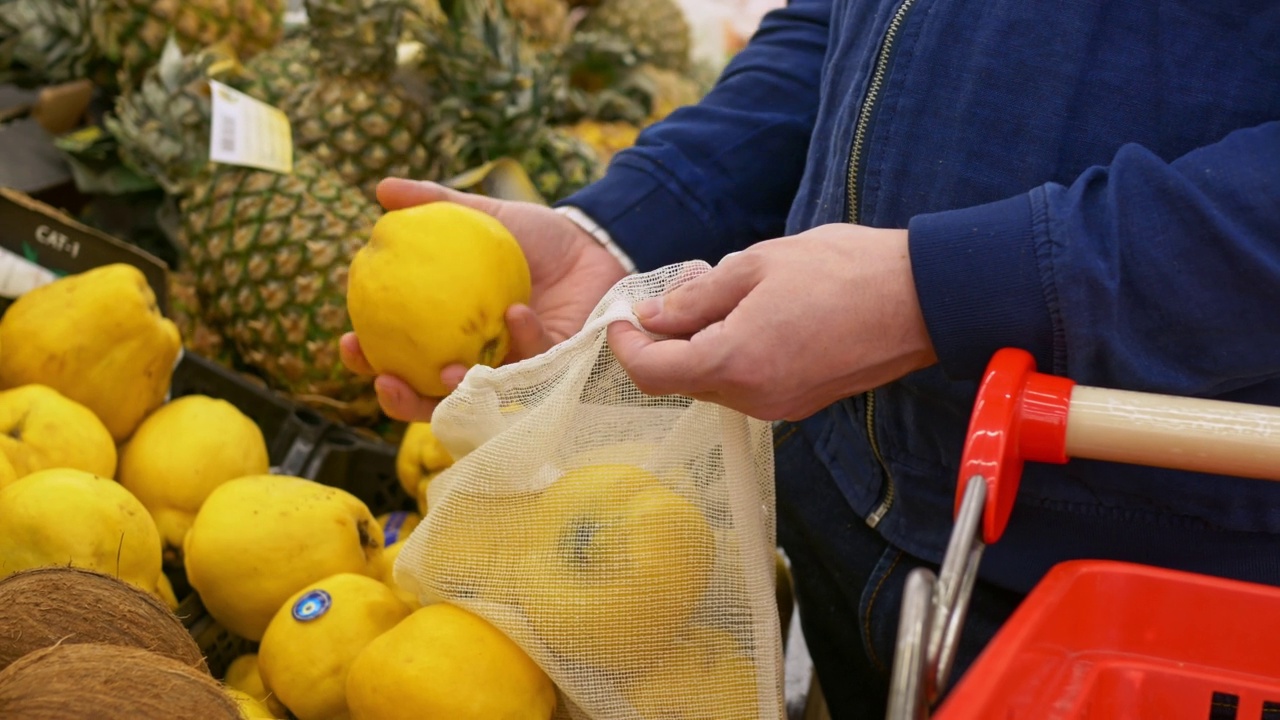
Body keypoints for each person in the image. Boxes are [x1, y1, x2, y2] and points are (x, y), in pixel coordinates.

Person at [341, 1, 1280, 716]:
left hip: (1136, 585)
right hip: (841, 507)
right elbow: (860, 32)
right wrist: (629, 229)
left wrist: (939, 290)